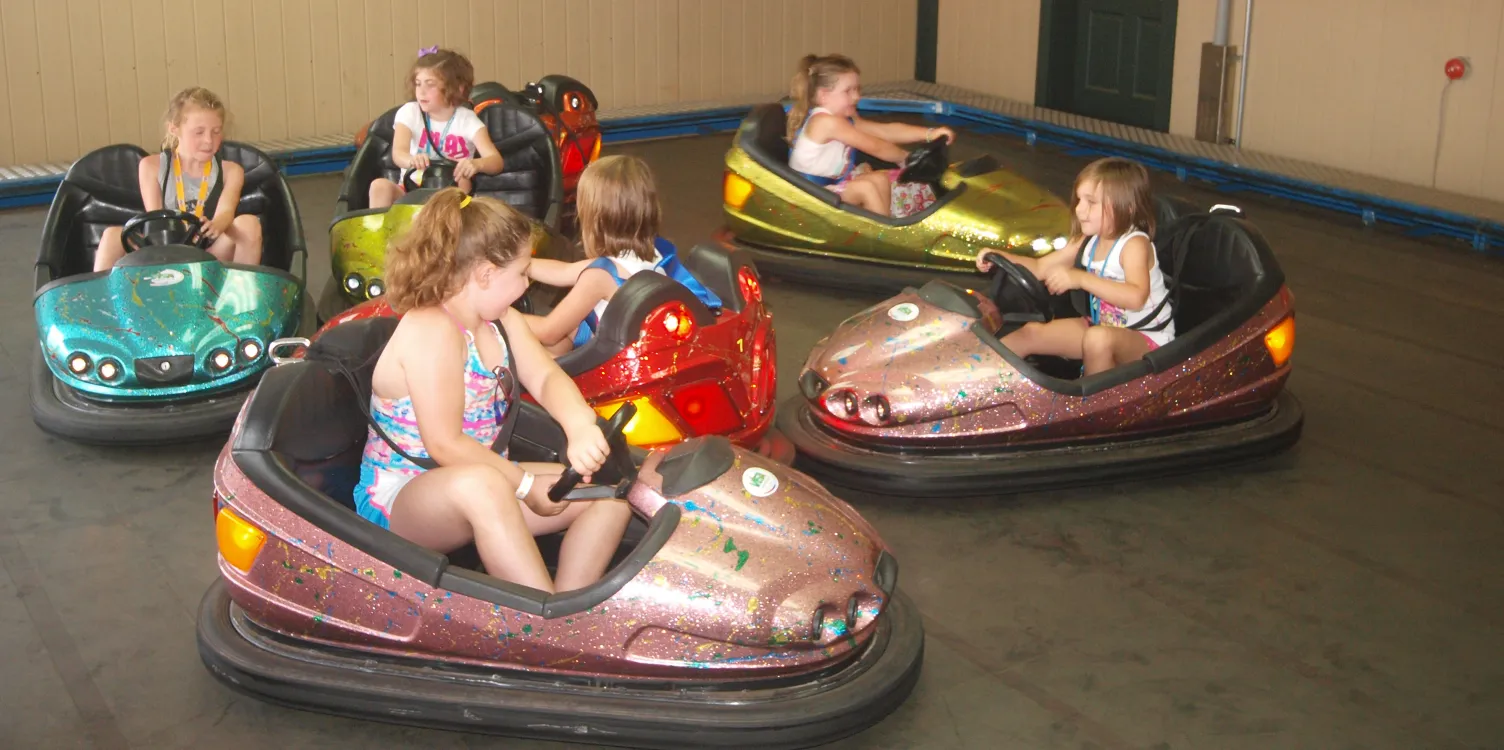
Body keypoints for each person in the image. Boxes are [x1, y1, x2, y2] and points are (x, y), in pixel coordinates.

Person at [352, 188, 632, 593]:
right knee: (482, 486)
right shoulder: (432, 330)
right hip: (403, 494)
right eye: (521, 273)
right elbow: (444, 444)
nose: (526, 283)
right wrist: (522, 485)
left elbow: (547, 378)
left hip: (490, 481)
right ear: (484, 273)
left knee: (610, 495)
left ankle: (569, 615)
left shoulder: (502, 321)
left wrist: (580, 426)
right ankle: (541, 623)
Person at [976, 157, 1175, 376]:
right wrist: (998, 256)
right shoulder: (1088, 239)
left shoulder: (1134, 244)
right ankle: (973, 378)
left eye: (1091, 202)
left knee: (1098, 339)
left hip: (1147, 339)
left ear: (1125, 207)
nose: (1079, 210)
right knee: (1031, 333)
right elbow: (1041, 267)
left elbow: (1136, 297)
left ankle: (1093, 408)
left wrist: (1078, 278)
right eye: (1079, 200)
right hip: (1100, 326)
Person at [522, 155, 722, 355]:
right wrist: (522, 264)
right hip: (644, 350)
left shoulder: (600, 277)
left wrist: (502, 318)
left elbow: (549, 331)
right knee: (567, 332)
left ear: (595, 221)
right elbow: (564, 271)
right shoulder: (655, 253)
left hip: (613, 365)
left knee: (528, 349)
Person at [93, 87, 261, 272]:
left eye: (216, 131)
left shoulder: (231, 171)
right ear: (174, 129)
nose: (208, 140)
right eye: (199, 132)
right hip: (164, 249)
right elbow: (155, 219)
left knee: (248, 223)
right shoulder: (151, 166)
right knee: (112, 235)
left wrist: (216, 225)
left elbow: (226, 212)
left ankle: (242, 293)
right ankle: (97, 298)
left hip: (209, 252)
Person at [786, 54, 955, 217]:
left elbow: (886, 131)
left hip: (829, 188)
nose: (857, 97)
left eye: (857, 89)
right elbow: (875, 146)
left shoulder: (843, 120)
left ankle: (888, 222)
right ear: (824, 96)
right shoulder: (825, 122)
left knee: (879, 178)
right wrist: (905, 158)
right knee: (867, 187)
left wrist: (929, 134)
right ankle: (884, 237)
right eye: (848, 91)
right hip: (809, 195)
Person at [368, 47, 504, 209]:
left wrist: (476, 164)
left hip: (452, 195)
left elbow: (496, 161)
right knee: (379, 186)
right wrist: (411, 160)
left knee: (462, 180)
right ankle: (379, 233)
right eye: (418, 84)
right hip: (411, 190)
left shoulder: (467, 120)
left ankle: (448, 229)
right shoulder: (409, 113)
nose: (421, 92)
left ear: (457, 88)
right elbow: (398, 153)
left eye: (430, 85)